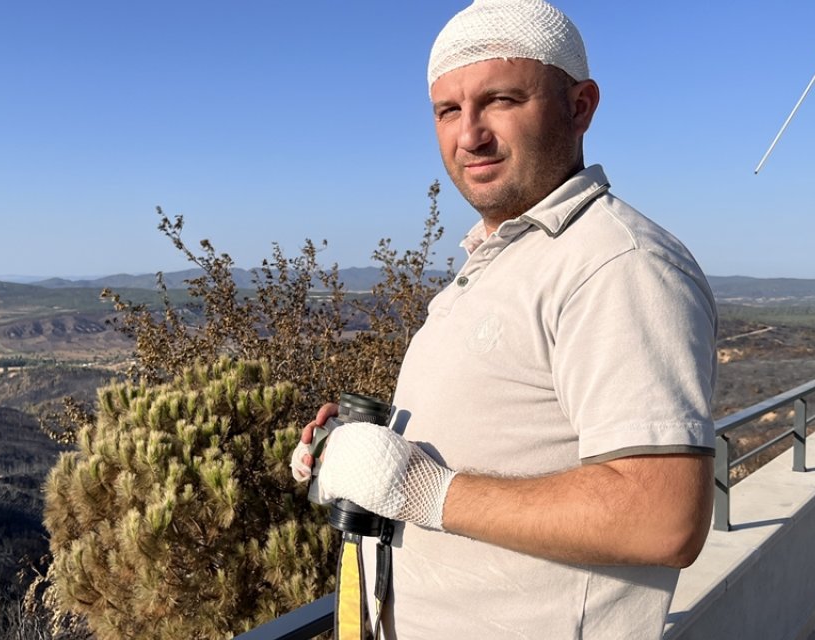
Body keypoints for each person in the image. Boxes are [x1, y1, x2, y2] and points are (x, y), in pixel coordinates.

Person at [290, 0, 718, 637]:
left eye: (502, 100)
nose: (470, 135)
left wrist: (419, 488)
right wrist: (366, 451)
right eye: (448, 110)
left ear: (580, 107)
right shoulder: (499, 260)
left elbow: (662, 516)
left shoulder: (617, 265)